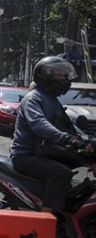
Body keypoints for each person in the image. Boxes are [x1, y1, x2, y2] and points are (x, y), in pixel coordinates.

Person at [11, 56, 91, 213]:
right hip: (26, 155)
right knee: (62, 173)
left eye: (64, 75)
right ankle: (47, 219)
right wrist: (68, 139)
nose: (63, 79)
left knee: (80, 160)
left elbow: (66, 125)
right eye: (59, 75)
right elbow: (40, 125)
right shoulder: (33, 98)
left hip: (46, 151)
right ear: (45, 76)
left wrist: (85, 141)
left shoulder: (52, 99)